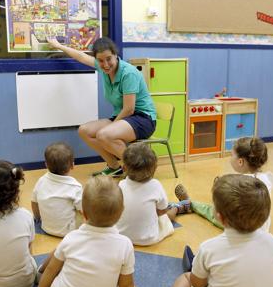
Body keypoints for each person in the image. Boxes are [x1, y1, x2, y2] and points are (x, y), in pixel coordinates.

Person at [134, 174, 273, 287]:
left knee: (187, 278)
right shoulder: (272, 242)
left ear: (220, 218)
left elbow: (197, 283)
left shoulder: (211, 247)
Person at [22, 176, 135, 287]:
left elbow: (50, 270)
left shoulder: (71, 238)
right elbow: (126, 285)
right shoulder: (125, 245)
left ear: (84, 215)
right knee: (121, 285)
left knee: (62, 264)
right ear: (121, 213)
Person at [47, 36, 157, 177]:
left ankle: (139, 170)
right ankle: (114, 166)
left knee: (103, 135)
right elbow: (81, 56)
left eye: (109, 59)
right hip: (123, 117)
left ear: (116, 55)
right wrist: (59, 46)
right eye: (100, 60)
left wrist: (110, 127)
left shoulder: (128, 73)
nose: (105, 64)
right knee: (84, 130)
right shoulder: (103, 68)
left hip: (143, 119)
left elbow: (129, 109)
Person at [173, 136, 273, 231]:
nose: (230, 158)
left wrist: (220, 188)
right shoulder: (265, 178)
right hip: (261, 226)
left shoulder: (239, 183)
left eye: (232, 155)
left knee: (212, 210)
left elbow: (230, 206)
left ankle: (190, 203)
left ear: (240, 162)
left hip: (241, 225)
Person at [116, 142, 178, 245]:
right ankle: (178, 207)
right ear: (155, 168)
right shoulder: (156, 185)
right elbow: (161, 212)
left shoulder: (120, 185)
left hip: (122, 236)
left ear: (124, 168)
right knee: (167, 215)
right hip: (149, 238)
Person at [32, 142, 83, 237]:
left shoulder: (41, 180)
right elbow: (84, 210)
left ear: (46, 165)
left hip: (46, 228)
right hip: (69, 232)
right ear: (72, 165)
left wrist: (38, 218)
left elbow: (34, 203)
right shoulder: (75, 186)